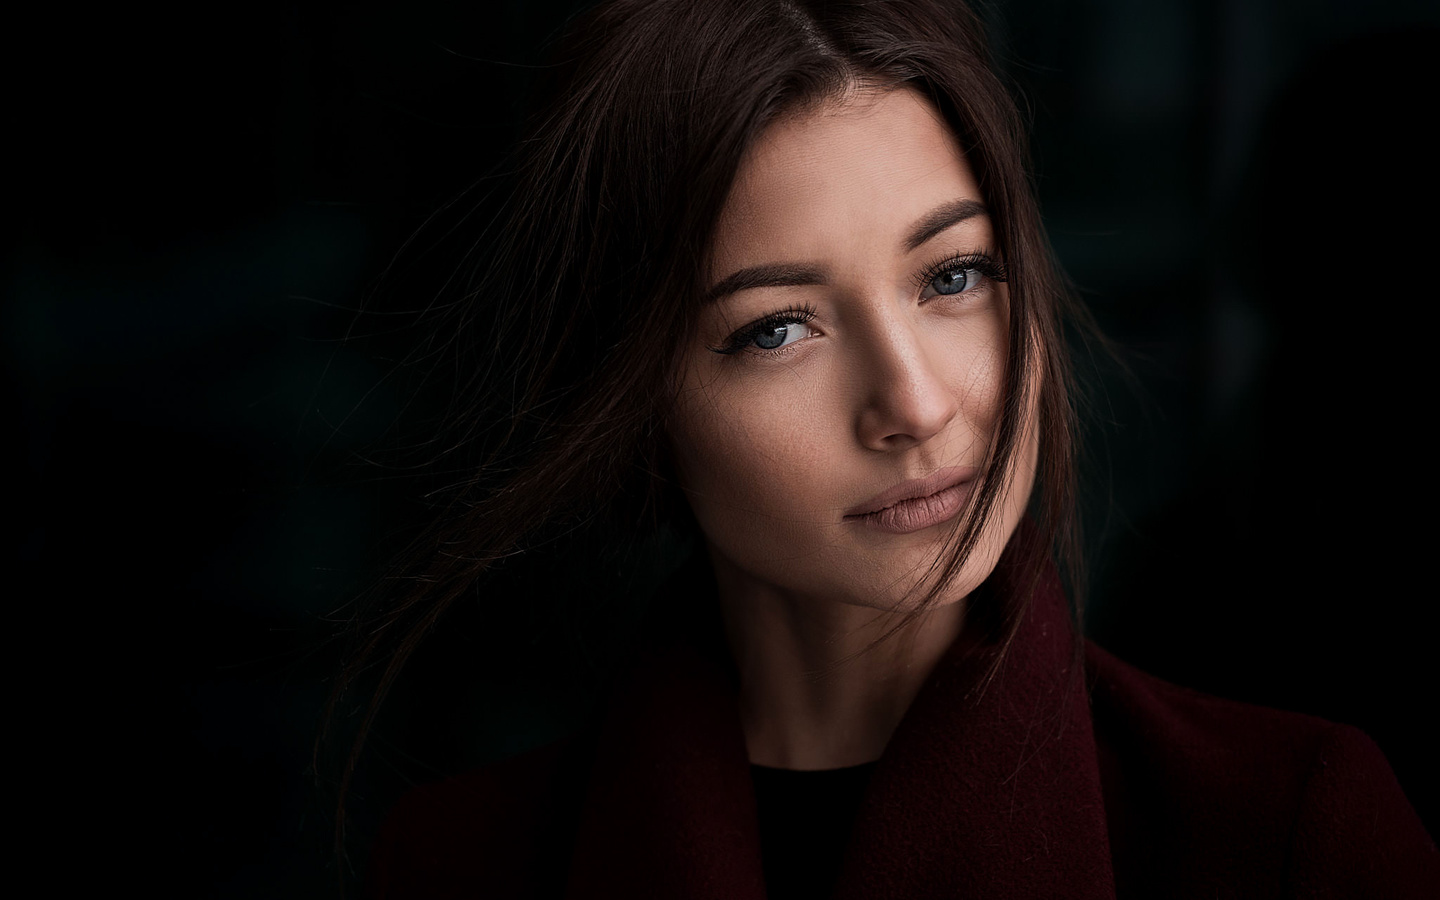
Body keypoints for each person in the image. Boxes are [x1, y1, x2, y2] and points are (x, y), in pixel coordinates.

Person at [338, 0, 1438, 896]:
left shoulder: (1289, 833)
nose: (913, 403)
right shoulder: (457, 863)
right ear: (632, 400)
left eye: (953, 275)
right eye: (778, 329)